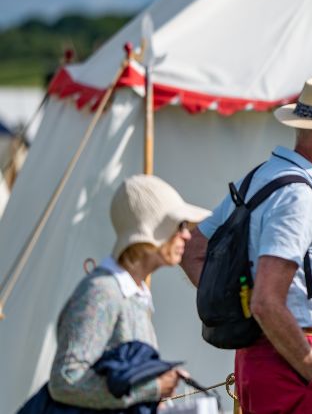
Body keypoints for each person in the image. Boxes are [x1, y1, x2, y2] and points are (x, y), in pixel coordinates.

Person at [180, 76, 312, 414]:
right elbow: (266, 301)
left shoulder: (261, 176)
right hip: (295, 362)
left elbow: (192, 250)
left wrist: (242, 317)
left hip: (268, 355)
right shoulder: (297, 195)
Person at [46, 174, 209, 410]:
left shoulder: (135, 293)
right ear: (152, 229)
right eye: (180, 225)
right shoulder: (102, 292)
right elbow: (65, 381)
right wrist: (152, 387)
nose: (186, 235)